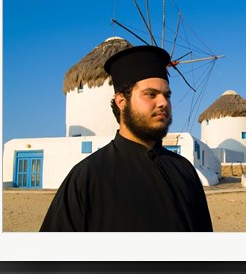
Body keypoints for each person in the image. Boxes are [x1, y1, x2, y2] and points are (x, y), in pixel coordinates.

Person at [40, 45, 213, 232]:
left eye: (167, 95)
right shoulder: (86, 177)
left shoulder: (184, 169)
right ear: (121, 101)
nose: (163, 103)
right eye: (150, 94)